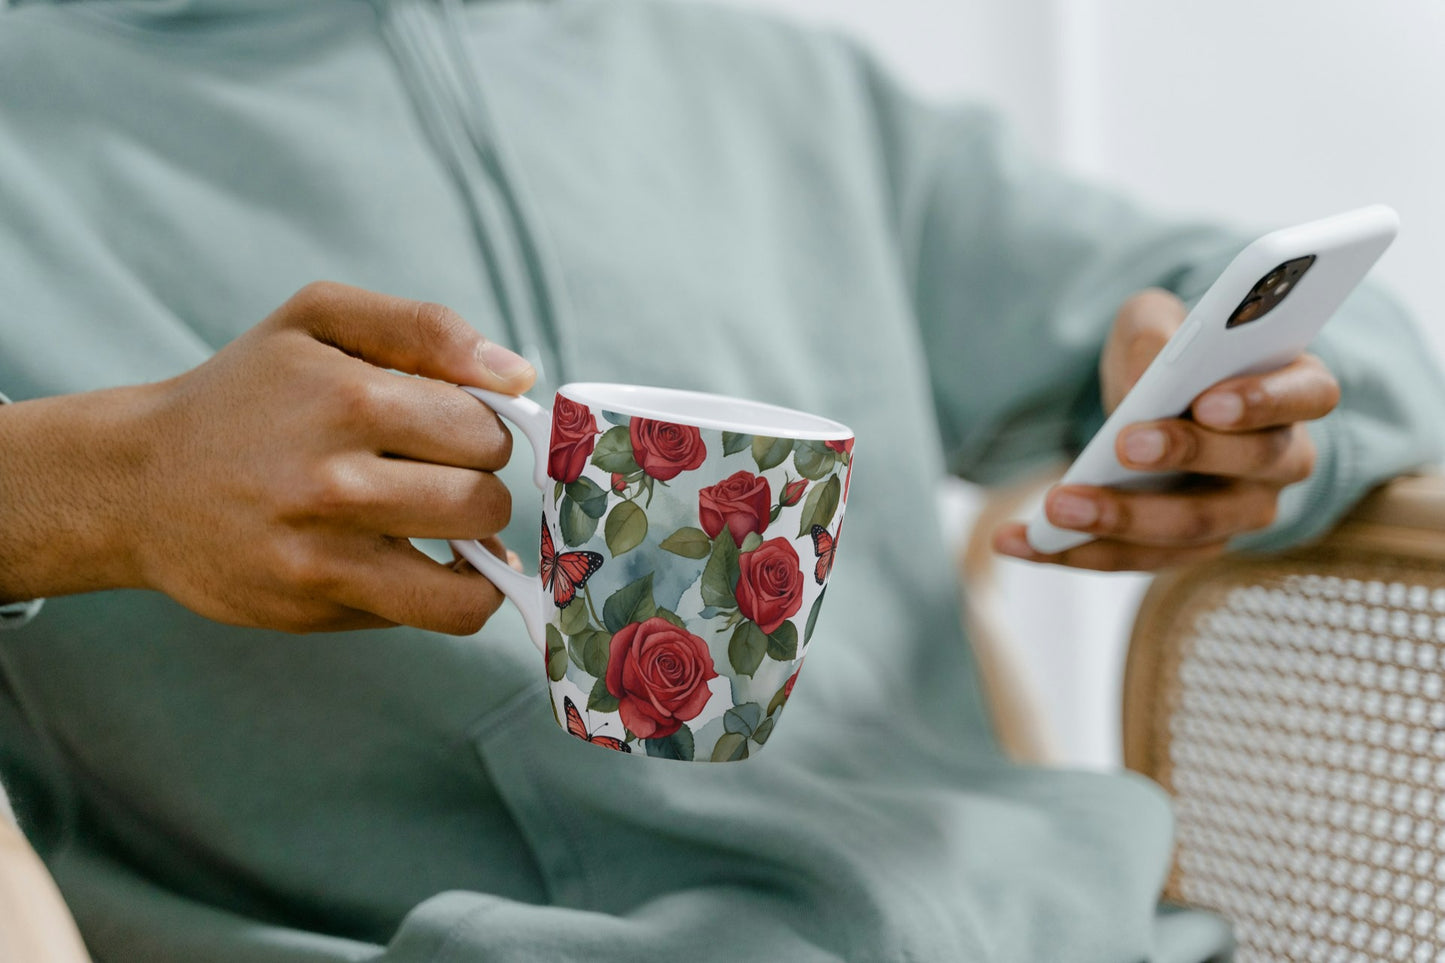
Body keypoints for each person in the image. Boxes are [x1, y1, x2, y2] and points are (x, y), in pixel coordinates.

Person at [0, 1, 1440, 960]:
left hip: (1066, 931)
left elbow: (1294, 313)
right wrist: (100, 486)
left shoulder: (752, 70)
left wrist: (1266, 421)